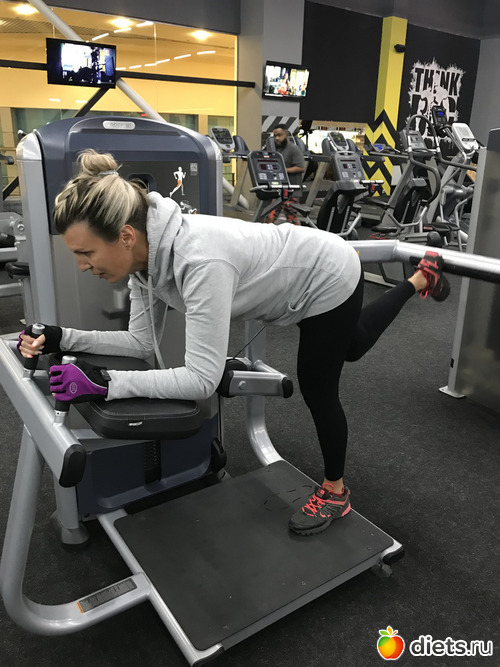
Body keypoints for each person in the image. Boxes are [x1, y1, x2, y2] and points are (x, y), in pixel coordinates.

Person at [18, 149, 451, 537]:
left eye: (86, 253)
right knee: (351, 344)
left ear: (125, 236)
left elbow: (201, 380)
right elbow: (140, 341)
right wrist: (60, 336)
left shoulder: (199, 260)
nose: (82, 265)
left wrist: (106, 383)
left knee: (319, 385)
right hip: (297, 273)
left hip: (327, 274)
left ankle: (336, 493)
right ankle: (421, 278)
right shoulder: (144, 262)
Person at [266, 124, 305, 225]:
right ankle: (267, 233)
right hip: (280, 190)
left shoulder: (294, 149)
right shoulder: (277, 150)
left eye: (279, 135)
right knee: (270, 215)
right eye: (275, 136)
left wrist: (282, 171)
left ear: (286, 134)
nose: (277, 138)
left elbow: (301, 168)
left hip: (292, 191)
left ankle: (298, 235)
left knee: (292, 219)